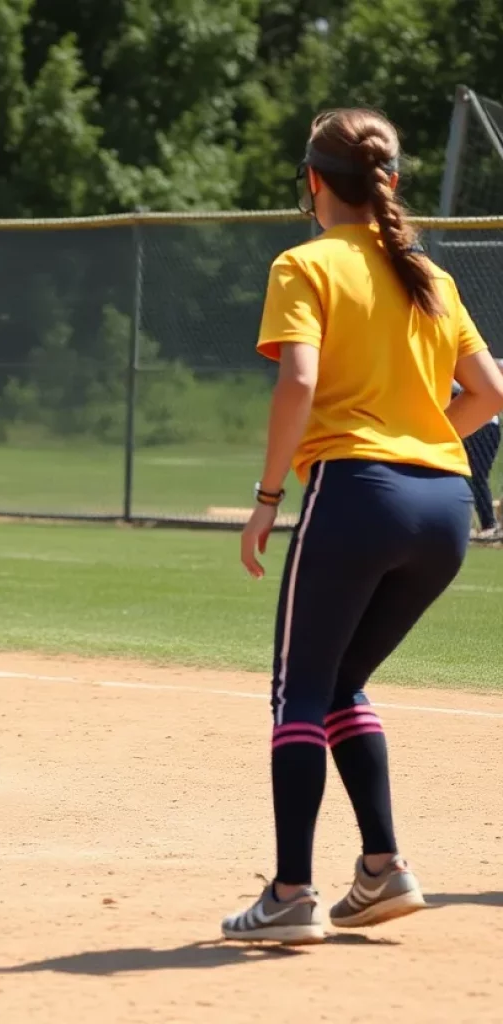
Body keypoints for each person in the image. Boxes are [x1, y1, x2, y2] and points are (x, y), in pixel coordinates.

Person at [222, 109, 503, 944]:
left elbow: (297, 382)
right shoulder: (428, 275)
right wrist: (417, 442)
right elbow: (489, 395)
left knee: (297, 690)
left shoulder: (303, 263)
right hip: (446, 509)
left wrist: (269, 496)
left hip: (357, 496)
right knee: (341, 681)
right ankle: (383, 870)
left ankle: (290, 895)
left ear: (312, 181)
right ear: (388, 182)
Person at [453, 378, 501, 538]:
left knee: (478, 476)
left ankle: (489, 523)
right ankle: (465, 523)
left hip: (484, 427)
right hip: (460, 425)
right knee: (462, 476)